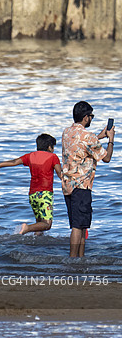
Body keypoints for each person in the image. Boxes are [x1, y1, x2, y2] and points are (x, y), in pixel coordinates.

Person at [60, 101, 114, 257]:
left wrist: (99, 137)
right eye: (91, 116)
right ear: (85, 117)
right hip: (82, 185)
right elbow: (107, 158)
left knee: (81, 225)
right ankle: (72, 260)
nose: (91, 119)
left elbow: (81, 145)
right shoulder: (88, 137)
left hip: (68, 185)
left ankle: (80, 259)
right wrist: (110, 139)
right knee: (78, 226)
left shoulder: (67, 132)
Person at [0, 133, 63, 236]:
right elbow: (60, 174)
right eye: (53, 147)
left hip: (33, 195)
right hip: (45, 195)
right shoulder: (53, 157)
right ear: (49, 147)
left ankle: (36, 245)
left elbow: (14, 162)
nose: (53, 150)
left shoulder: (30, 156)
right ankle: (27, 228)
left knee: (39, 225)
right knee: (47, 224)